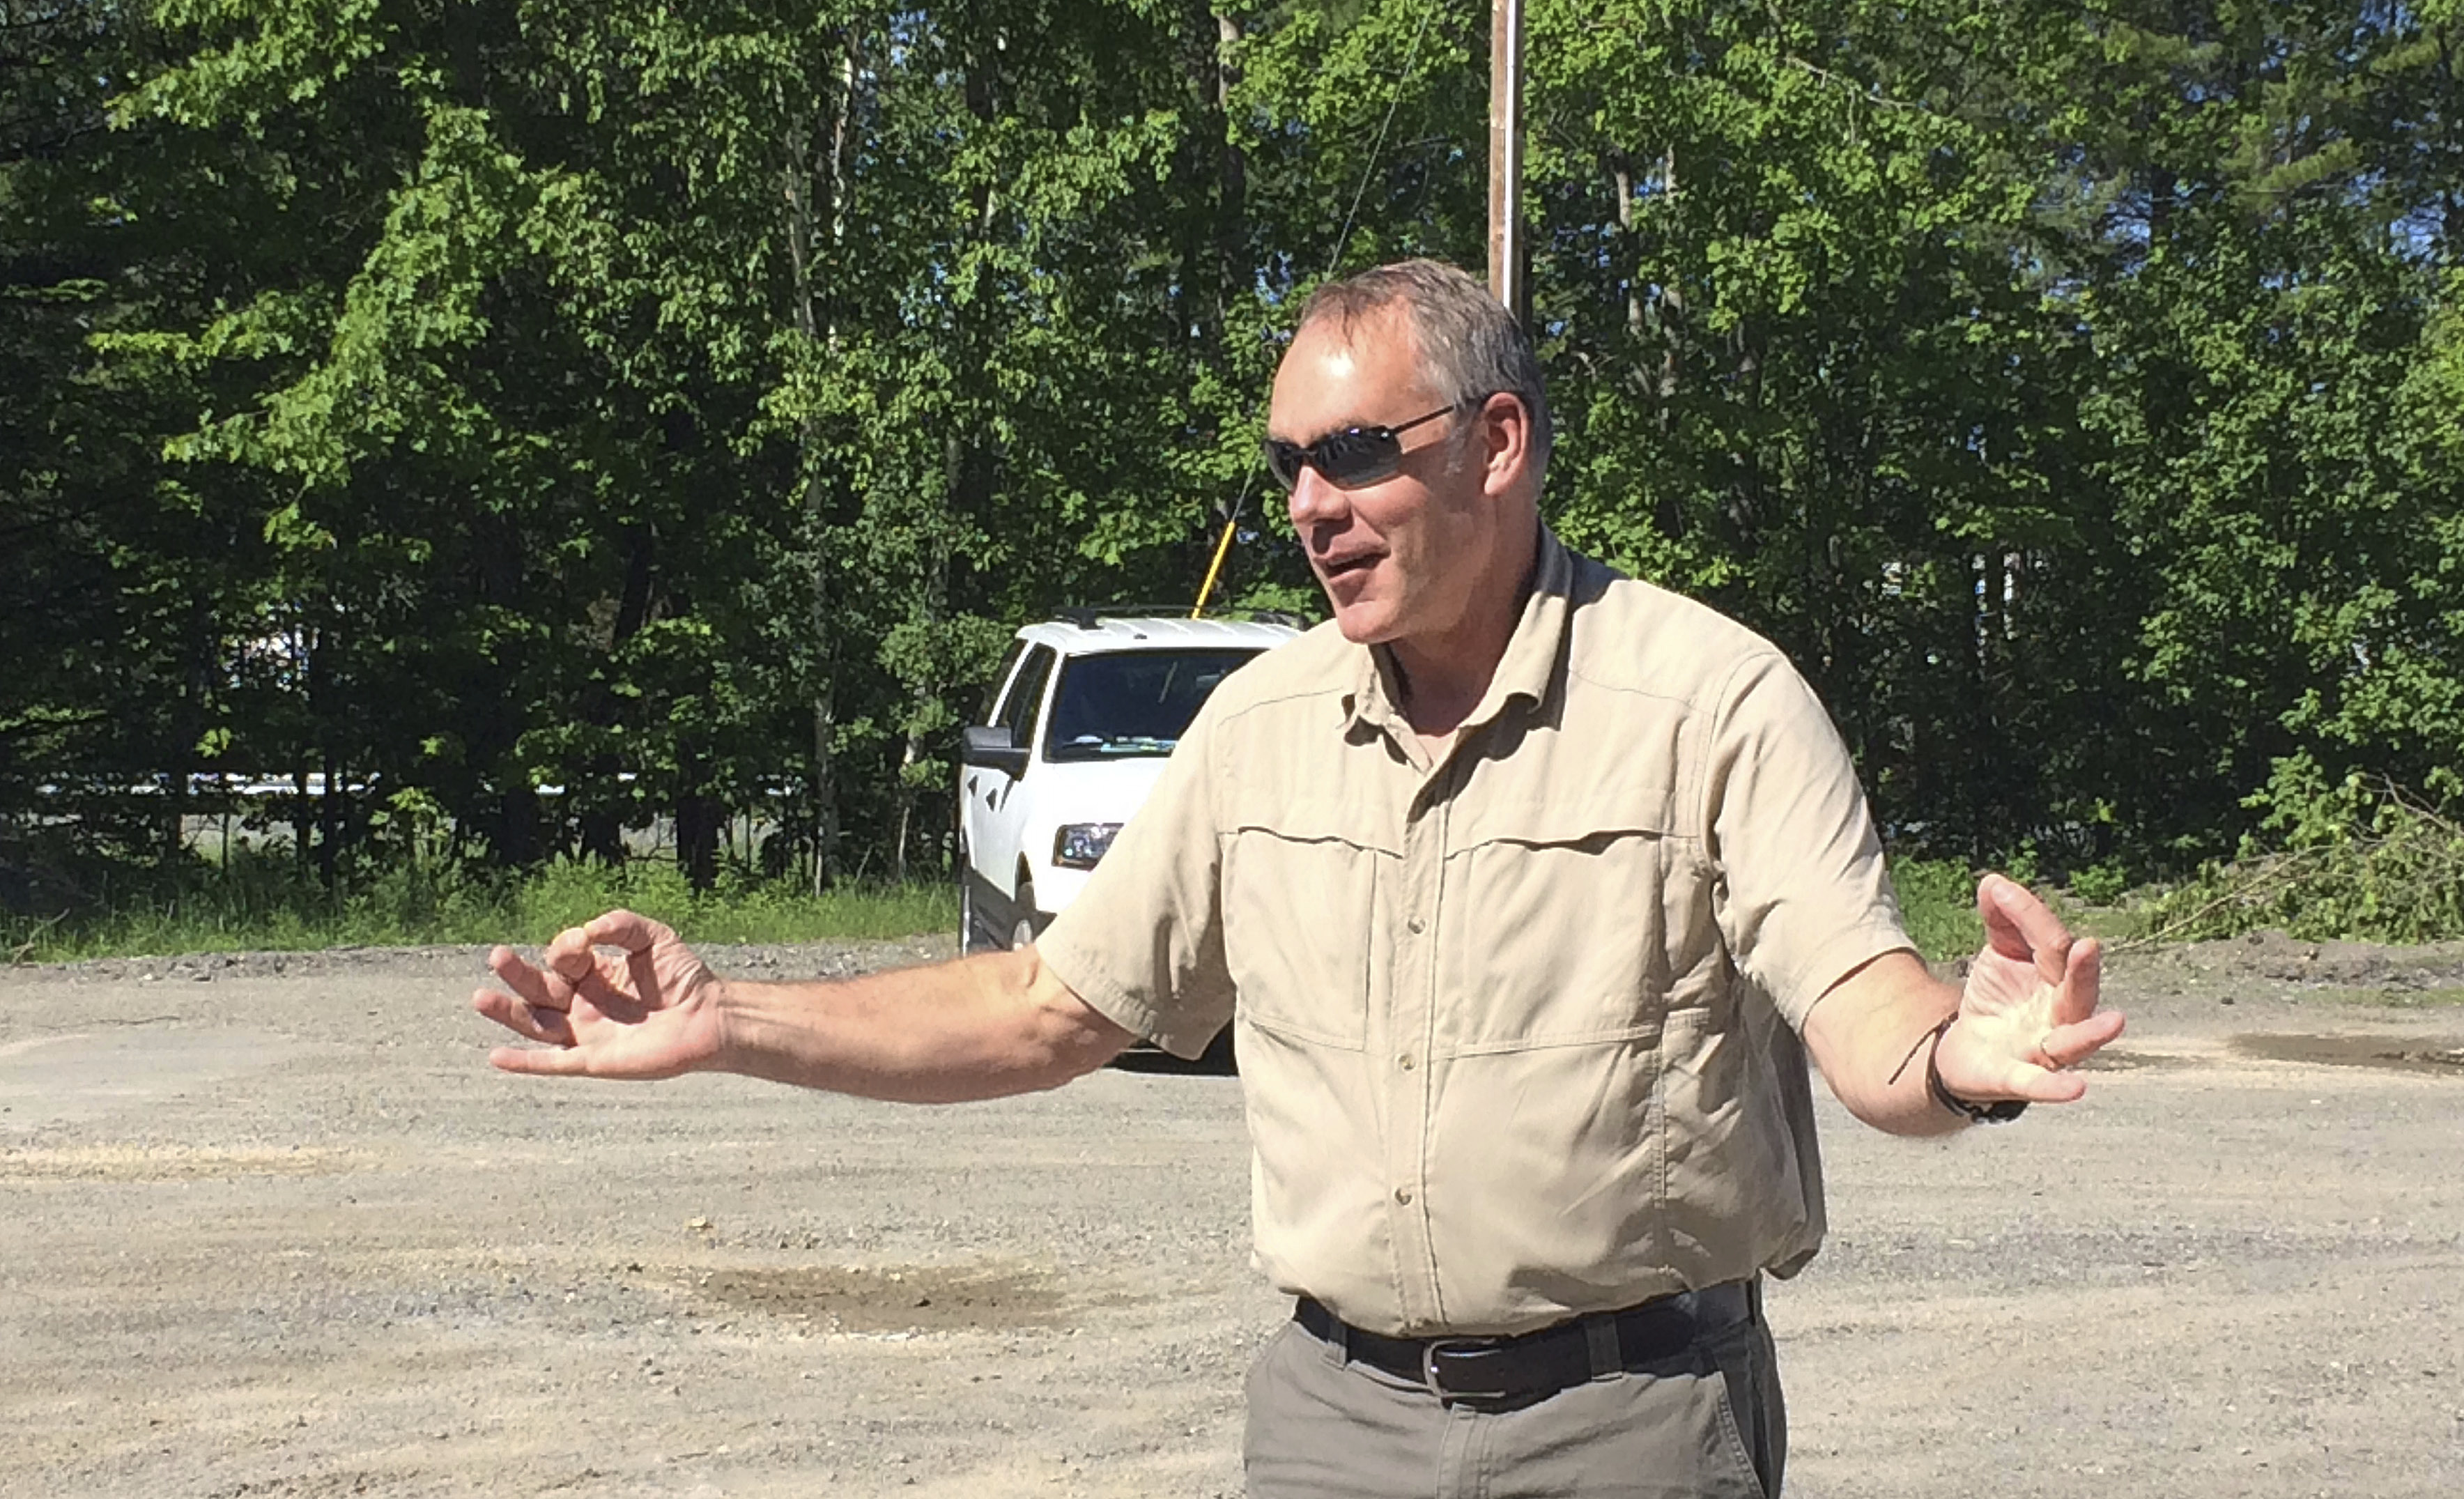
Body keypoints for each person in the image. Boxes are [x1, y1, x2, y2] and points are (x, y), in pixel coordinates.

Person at [475, 259, 2124, 1498]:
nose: (1310, 506)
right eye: (1287, 465)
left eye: (1352, 452)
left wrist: (1966, 1057)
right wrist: (725, 1016)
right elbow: (1051, 1004)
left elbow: (1862, 1007)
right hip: (1333, 1424)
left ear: (1497, 441)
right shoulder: (1256, 728)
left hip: (1628, 1426)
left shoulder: (1708, 699)